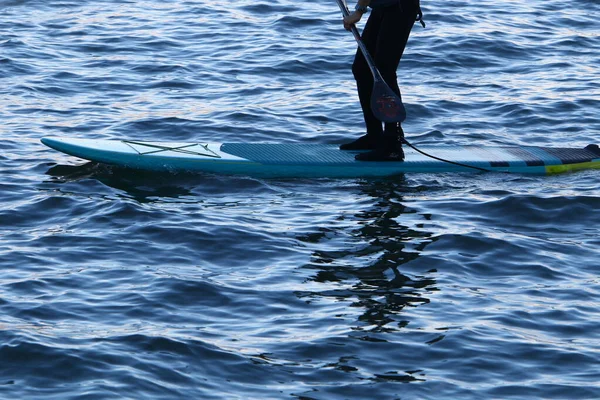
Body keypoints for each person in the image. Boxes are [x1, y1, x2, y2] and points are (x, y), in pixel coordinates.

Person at [340, 0, 423, 161]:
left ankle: (393, 145)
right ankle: (375, 136)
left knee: (384, 71)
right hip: (382, 6)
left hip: (400, 7)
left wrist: (359, 11)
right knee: (362, 69)